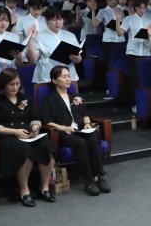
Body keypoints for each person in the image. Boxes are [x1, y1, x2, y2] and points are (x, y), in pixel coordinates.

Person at [0, 68, 55, 207]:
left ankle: (44, 187)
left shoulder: (25, 99)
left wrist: (35, 128)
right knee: (23, 151)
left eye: (17, 84)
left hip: (28, 135)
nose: (15, 87)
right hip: (8, 137)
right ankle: (24, 190)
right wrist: (15, 132)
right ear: (3, 85)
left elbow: (35, 118)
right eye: (11, 84)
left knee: (47, 146)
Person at [41, 66, 110, 196]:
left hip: (81, 129)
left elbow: (85, 113)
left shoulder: (75, 96)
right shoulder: (49, 100)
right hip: (64, 131)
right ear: (54, 80)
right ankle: (88, 180)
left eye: (68, 76)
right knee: (80, 143)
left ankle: (99, 177)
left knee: (94, 137)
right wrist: (64, 128)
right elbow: (47, 121)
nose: (68, 79)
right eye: (64, 76)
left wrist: (88, 124)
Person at [26, 8, 82, 84]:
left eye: (60, 19)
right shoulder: (38, 35)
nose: (57, 23)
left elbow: (79, 59)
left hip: (69, 78)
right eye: (54, 19)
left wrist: (77, 58)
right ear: (47, 21)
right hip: (47, 78)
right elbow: (32, 59)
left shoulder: (70, 35)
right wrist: (31, 40)